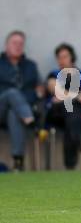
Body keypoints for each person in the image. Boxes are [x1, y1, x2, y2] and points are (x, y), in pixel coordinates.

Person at [45, 43, 81, 169]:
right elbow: (55, 89)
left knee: (72, 113)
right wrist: (77, 96)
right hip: (58, 116)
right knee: (72, 110)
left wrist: (66, 96)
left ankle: (70, 167)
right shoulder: (53, 75)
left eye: (65, 56)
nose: (61, 60)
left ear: (72, 57)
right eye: (59, 57)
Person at [0, 30, 43, 171]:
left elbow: (39, 89)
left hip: (18, 110)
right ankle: (31, 122)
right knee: (12, 93)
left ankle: (18, 162)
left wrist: (40, 91)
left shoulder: (31, 66)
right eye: (14, 43)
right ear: (6, 45)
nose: (18, 46)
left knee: (14, 112)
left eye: (21, 43)